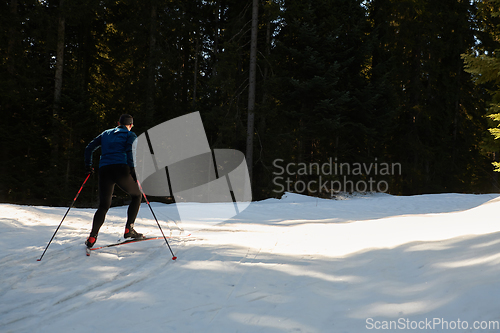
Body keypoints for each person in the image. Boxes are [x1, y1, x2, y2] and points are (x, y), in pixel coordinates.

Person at [84, 114, 144, 249]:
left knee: (104, 206)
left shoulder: (106, 134)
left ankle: (93, 236)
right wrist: (133, 169)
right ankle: (129, 229)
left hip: (104, 170)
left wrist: (88, 166)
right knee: (137, 195)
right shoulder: (130, 135)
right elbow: (130, 151)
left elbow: (89, 148)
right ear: (130, 125)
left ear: (118, 123)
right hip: (121, 169)